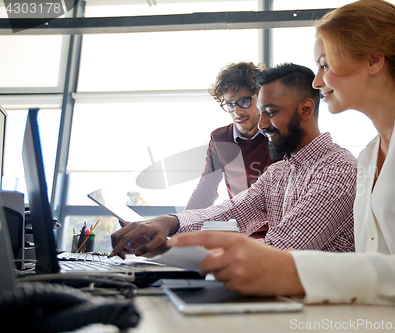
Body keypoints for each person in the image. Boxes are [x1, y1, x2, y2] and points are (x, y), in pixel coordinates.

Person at [164, 0, 395, 318]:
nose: (317, 80)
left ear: (373, 60)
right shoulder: (370, 154)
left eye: (325, 64)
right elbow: (379, 263)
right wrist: (173, 226)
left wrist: (288, 269)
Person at [110, 63, 357, 257]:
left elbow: (279, 251)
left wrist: (173, 249)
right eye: (261, 113)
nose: (261, 124)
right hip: (280, 296)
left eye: (270, 112)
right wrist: (169, 224)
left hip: (326, 312)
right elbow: (232, 213)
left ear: (305, 110)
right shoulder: (278, 173)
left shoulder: (339, 170)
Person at [185, 62, 275, 210]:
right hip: (240, 228)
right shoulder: (220, 139)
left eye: (244, 101)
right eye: (230, 104)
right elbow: (206, 190)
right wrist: (179, 226)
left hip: (277, 228)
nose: (237, 112)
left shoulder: (277, 135)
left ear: (260, 97)